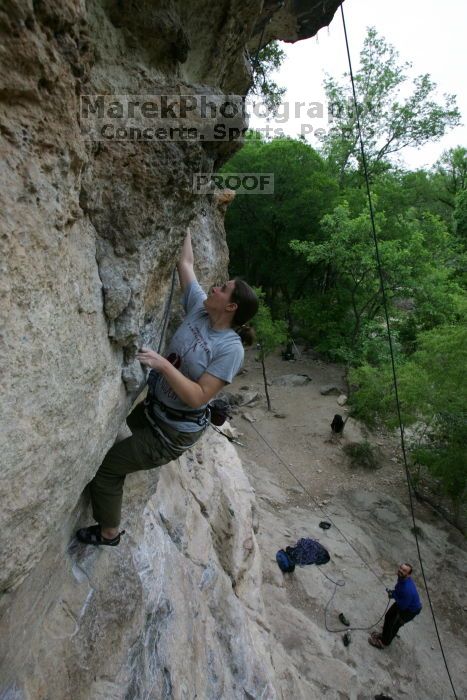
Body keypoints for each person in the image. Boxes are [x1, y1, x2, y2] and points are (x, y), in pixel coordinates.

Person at [76, 232, 258, 546]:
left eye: (223, 288)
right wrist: (185, 223)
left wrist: (163, 366)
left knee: (107, 468)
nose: (215, 287)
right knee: (110, 440)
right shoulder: (201, 309)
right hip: (154, 410)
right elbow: (185, 262)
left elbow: (200, 395)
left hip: (172, 432)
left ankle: (109, 533)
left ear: (230, 307)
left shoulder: (230, 349)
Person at [369, 563, 422, 649]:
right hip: (404, 602)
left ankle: (384, 643)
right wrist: (393, 593)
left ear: (408, 574)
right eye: (401, 568)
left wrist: (393, 595)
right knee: (388, 617)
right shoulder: (403, 579)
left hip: (408, 610)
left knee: (393, 624)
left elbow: (402, 606)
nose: (401, 571)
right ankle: (385, 635)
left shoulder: (407, 589)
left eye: (404, 570)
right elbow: (399, 592)